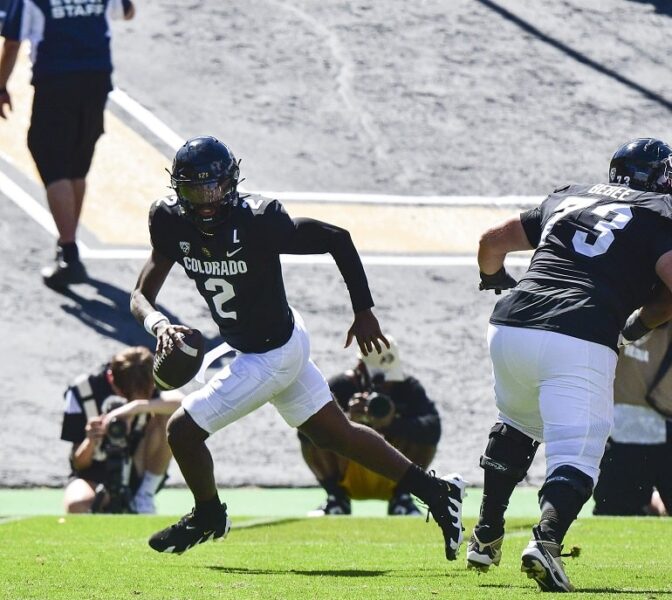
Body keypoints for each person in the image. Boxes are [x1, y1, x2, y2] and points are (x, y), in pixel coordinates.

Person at [130, 135, 466, 559]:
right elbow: (140, 294)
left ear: (231, 183)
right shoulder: (170, 221)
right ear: (179, 190)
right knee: (335, 435)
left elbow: (337, 238)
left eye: (214, 187)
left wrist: (363, 311)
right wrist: (159, 324)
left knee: (181, 430)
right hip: (270, 345)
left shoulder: (258, 219)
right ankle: (438, 492)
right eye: (196, 190)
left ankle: (209, 514)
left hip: (271, 352)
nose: (207, 200)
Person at [467, 137, 672, 592]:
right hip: (580, 331)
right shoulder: (660, 213)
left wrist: (494, 279)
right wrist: (639, 324)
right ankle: (546, 541)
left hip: (509, 325)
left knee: (517, 424)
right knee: (579, 447)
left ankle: (485, 535)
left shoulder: (569, 195)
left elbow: (490, 242)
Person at [0, 0, 135, 288]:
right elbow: (127, 11)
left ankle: (70, 254)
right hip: (97, 81)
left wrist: (0, 86)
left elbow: (12, 42)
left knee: (50, 159)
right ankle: (67, 245)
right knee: (77, 166)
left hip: (57, 82)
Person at [300, 336, 441, 516]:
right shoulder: (341, 386)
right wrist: (346, 422)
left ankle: (402, 497)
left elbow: (433, 428)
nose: (387, 385)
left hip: (395, 470)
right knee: (314, 432)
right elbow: (306, 427)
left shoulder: (408, 388)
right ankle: (336, 498)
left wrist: (392, 423)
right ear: (360, 368)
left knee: (424, 438)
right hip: (347, 468)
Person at [61, 346, 182, 514]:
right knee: (77, 504)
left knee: (172, 416)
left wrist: (136, 407)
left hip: (137, 470)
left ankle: (144, 497)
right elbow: (79, 464)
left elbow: (184, 403)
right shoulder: (83, 390)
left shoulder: (148, 381)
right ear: (114, 383)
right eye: (129, 396)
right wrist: (91, 440)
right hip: (93, 475)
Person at [593, 322, 672, 516]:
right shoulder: (619, 312)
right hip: (621, 435)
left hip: (658, 429)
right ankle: (654, 505)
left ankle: (655, 505)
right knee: (615, 516)